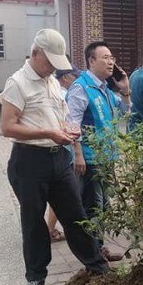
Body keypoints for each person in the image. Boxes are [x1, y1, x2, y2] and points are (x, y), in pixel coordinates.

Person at [0, 29, 108, 285]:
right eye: (49, 63)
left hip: (58, 159)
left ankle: (97, 266)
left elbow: (62, 118)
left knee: (76, 214)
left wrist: (71, 135)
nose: (52, 70)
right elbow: (7, 127)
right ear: (35, 53)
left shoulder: (52, 84)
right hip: (29, 161)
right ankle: (36, 279)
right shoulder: (17, 83)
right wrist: (48, 133)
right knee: (33, 221)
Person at [66, 41, 131, 262]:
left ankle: (98, 250)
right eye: (105, 57)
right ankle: (93, 258)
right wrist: (78, 154)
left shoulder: (104, 89)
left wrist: (125, 91)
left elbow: (124, 112)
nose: (111, 62)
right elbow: (72, 123)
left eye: (112, 57)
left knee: (103, 206)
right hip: (90, 159)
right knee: (93, 207)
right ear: (91, 60)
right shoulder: (81, 88)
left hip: (106, 158)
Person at [45, 64, 81, 242]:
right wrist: (77, 151)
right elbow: (71, 125)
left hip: (58, 148)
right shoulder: (65, 94)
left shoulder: (57, 91)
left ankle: (49, 229)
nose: (76, 79)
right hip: (65, 148)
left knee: (61, 193)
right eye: (75, 76)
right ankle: (50, 229)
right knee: (63, 192)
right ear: (66, 78)